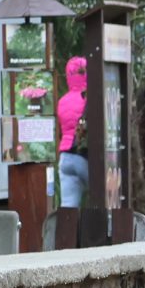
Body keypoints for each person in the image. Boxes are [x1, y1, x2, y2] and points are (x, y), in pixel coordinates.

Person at [54, 54, 89, 208]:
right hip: (84, 157)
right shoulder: (89, 98)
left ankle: (65, 232)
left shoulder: (62, 101)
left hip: (65, 157)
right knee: (104, 198)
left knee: (68, 206)